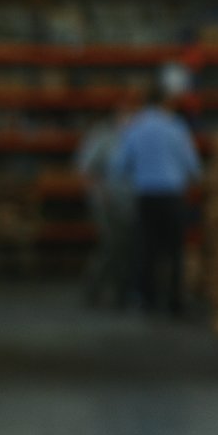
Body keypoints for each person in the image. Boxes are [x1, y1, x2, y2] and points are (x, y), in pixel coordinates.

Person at [114, 63, 203, 317]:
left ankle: (146, 299)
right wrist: (196, 181)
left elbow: (119, 165)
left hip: (146, 196)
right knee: (175, 250)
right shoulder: (176, 129)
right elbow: (192, 166)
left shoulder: (135, 127)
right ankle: (175, 301)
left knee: (146, 249)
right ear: (168, 102)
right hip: (172, 196)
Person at [74, 97, 137, 308]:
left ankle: (121, 292)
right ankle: (93, 288)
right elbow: (86, 169)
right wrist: (99, 194)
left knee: (127, 247)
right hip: (106, 201)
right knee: (110, 245)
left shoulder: (134, 137)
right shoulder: (103, 136)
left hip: (129, 202)